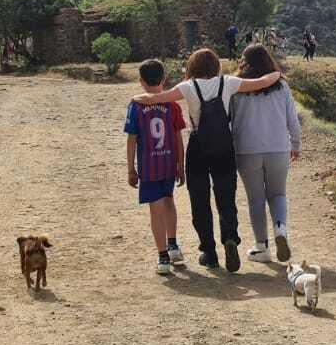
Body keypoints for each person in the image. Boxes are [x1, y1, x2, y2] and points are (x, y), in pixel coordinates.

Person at [132, 49, 283, 272]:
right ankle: (230, 237)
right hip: (223, 146)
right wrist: (276, 74)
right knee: (226, 197)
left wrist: (137, 98)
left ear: (192, 66)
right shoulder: (228, 82)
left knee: (200, 201)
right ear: (215, 65)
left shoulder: (187, 87)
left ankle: (209, 253)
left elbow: (156, 98)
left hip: (198, 147)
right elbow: (261, 82)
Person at [228, 45, 301, 264]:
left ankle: (262, 247)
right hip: (278, 147)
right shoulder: (281, 85)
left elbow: (228, 120)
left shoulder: (237, 86)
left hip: (246, 149)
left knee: (256, 199)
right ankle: (280, 229)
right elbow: (292, 119)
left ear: (245, 61)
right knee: (278, 194)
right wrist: (295, 143)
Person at [124, 59, 186, 275]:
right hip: (169, 162)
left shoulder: (136, 106)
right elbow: (178, 137)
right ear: (164, 79)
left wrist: (131, 168)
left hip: (149, 166)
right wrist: (181, 164)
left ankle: (162, 256)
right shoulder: (173, 105)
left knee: (155, 208)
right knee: (169, 202)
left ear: (141, 82)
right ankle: (173, 245)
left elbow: (132, 139)